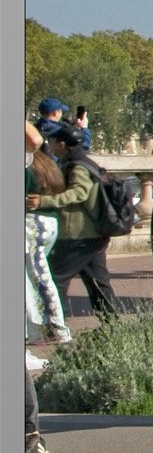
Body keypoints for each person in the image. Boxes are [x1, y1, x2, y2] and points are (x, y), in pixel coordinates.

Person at [34, 126, 120, 323]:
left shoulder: (77, 165)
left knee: (55, 280)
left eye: (53, 141)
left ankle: (53, 324)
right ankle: (111, 324)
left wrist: (43, 202)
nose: (51, 145)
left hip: (78, 234)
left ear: (62, 144)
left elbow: (78, 193)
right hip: (92, 234)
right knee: (98, 282)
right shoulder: (82, 161)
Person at [24, 120, 67, 347]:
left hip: (30, 224)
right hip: (47, 222)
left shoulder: (27, 159)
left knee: (37, 277)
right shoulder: (45, 163)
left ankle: (53, 329)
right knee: (32, 278)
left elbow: (34, 139)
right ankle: (38, 330)